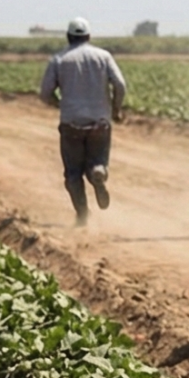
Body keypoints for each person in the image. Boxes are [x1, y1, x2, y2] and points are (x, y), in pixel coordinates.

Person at [37, 17, 127, 226]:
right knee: (97, 159)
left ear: (69, 37)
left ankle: (82, 215)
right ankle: (98, 172)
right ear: (88, 36)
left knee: (73, 173)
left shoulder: (59, 60)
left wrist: (57, 103)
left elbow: (44, 93)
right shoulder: (103, 57)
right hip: (100, 123)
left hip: (71, 124)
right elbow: (120, 85)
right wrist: (116, 108)